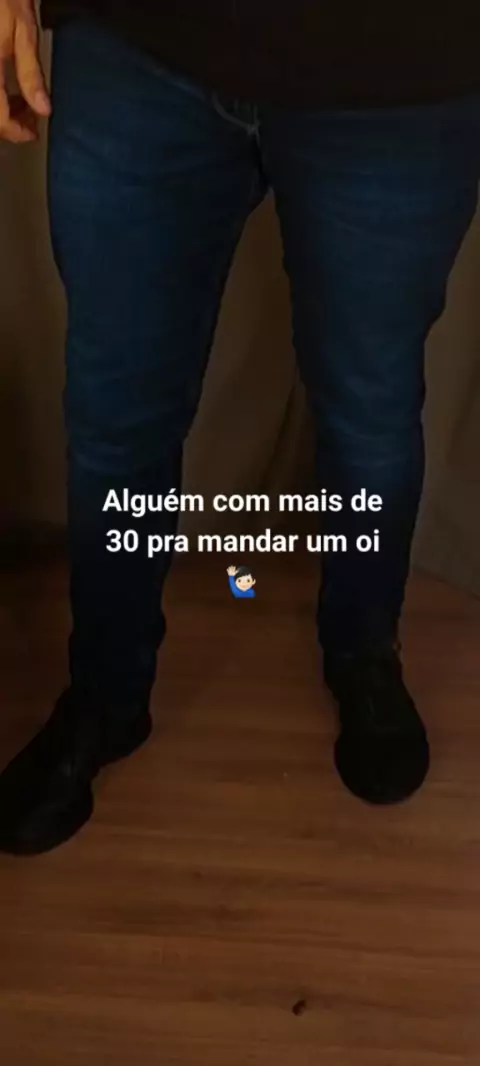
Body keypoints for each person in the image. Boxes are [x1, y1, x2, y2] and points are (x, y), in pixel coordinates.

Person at [0, 0, 479, 855]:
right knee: (116, 417)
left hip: (402, 63)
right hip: (139, 40)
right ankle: (106, 694)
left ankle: (364, 653)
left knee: (370, 414)